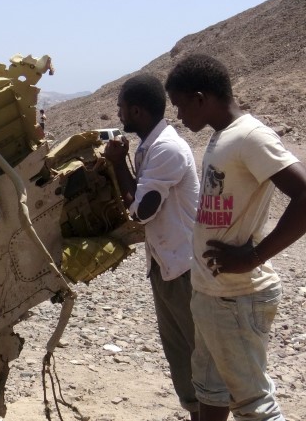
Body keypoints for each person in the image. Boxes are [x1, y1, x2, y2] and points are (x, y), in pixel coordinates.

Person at [165, 54, 306, 421]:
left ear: (199, 98)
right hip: (211, 293)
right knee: (210, 390)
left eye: (180, 106)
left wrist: (252, 256)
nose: (179, 116)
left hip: (237, 297)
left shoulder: (250, 136)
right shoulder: (223, 137)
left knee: (254, 406)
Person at [104, 74, 201, 421]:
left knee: (199, 357)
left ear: (137, 110)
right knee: (181, 358)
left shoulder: (167, 149)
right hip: (165, 264)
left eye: (121, 109)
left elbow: (143, 210)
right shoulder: (150, 147)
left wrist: (116, 165)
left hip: (185, 268)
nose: (119, 115)